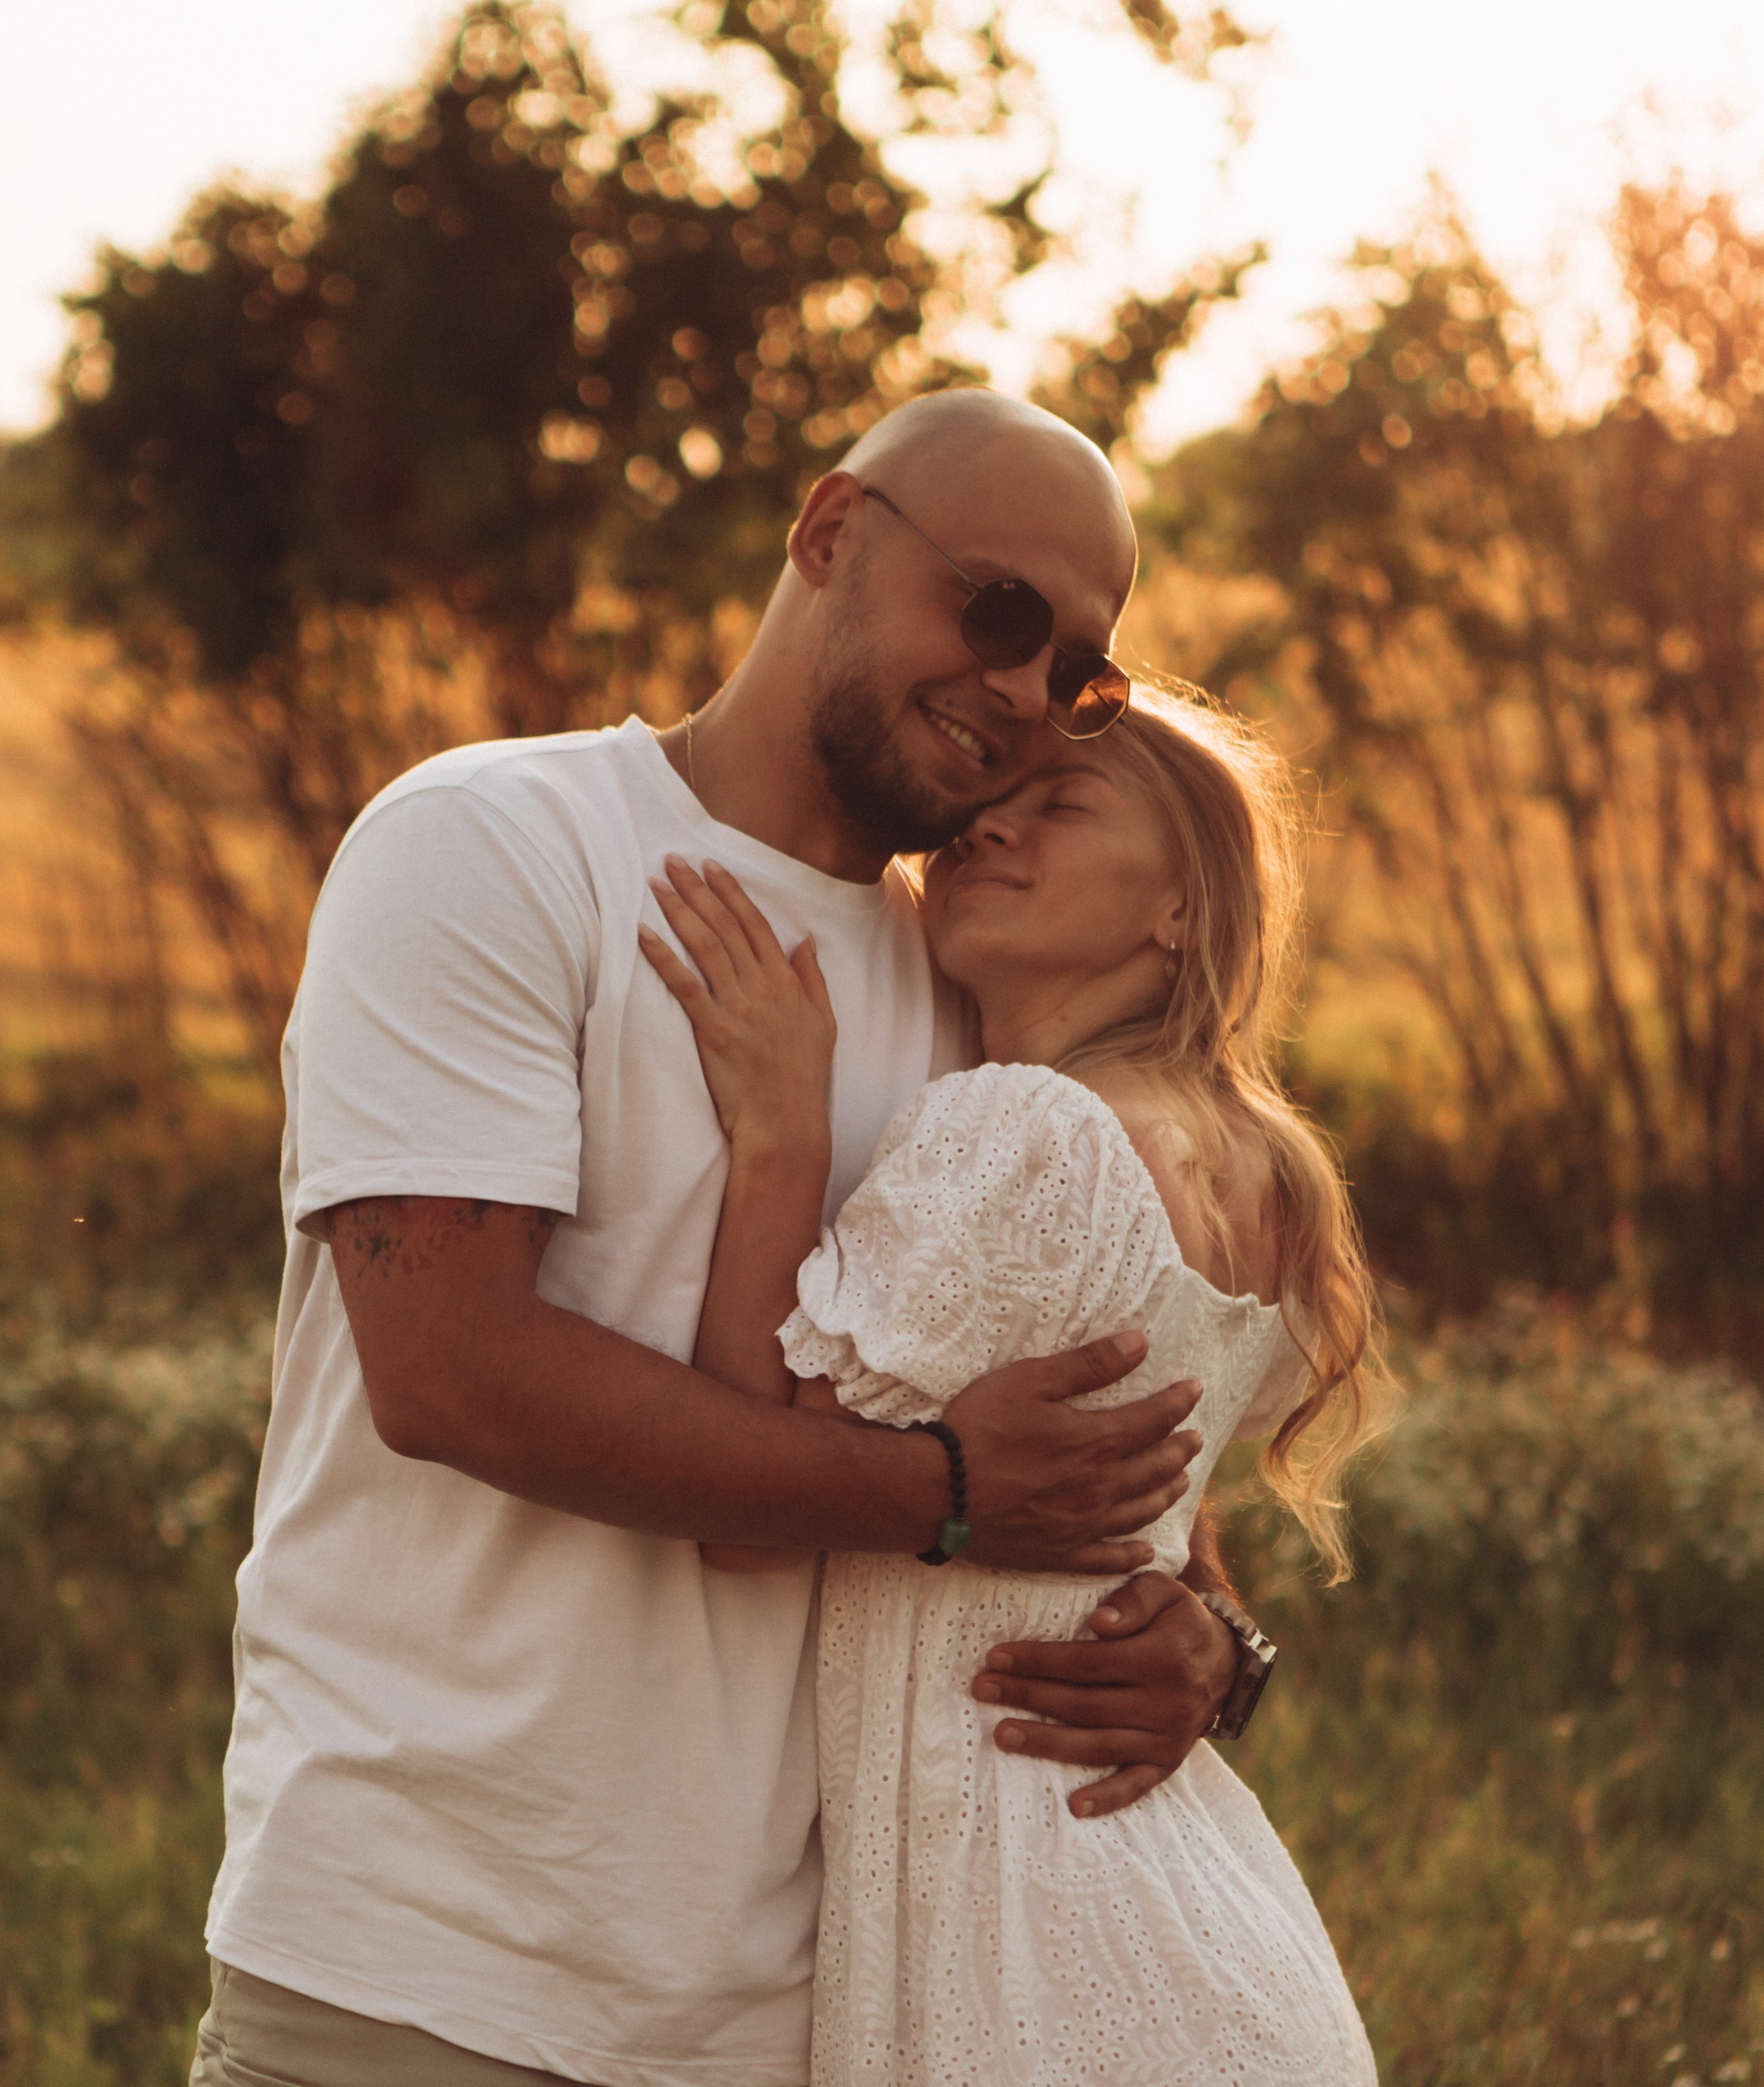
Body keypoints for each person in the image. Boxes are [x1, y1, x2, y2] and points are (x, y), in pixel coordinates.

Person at [192, 391, 1259, 2087]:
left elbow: (1087, 1403)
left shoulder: (981, 977)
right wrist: (944, 1495)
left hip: (795, 2014)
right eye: (995, 613)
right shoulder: (494, 845)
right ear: (830, 534)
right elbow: (452, 1374)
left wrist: (1212, 1639)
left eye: (1073, 670)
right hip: (425, 1972)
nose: (1020, 692)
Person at [640, 676, 1391, 2084]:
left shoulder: (1021, 1130)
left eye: (1062, 802)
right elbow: (1149, 1528)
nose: (986, 831)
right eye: (984, 807)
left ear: (1180, 907)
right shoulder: (1256, 1168)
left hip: (1032, 1945)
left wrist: (781, 1135)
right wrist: (1225, 1649)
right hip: (1191, 1912)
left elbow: (748, 1498)